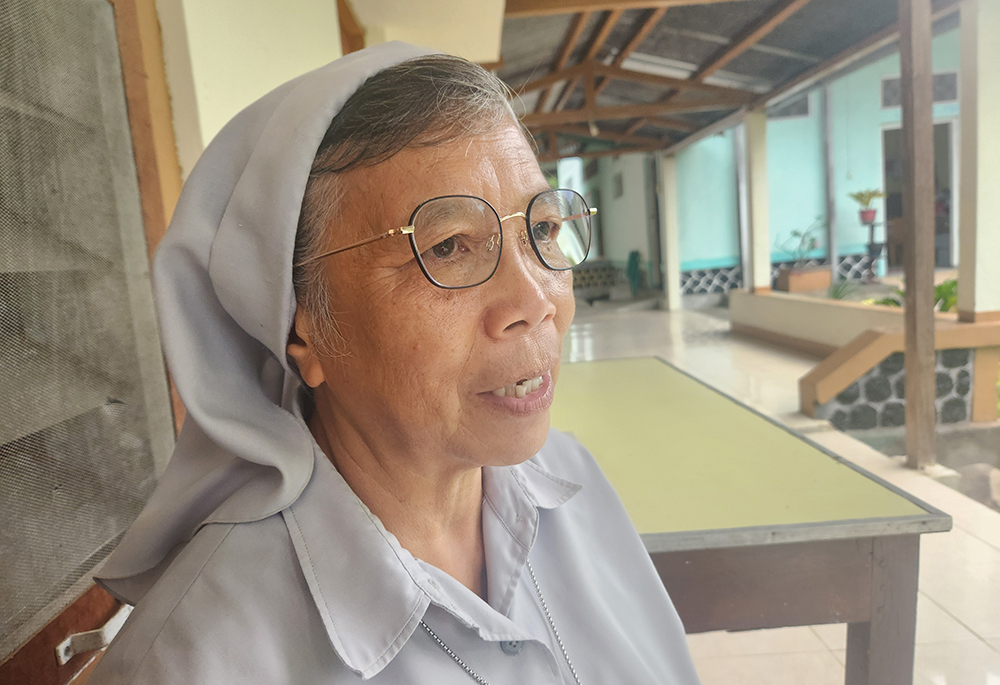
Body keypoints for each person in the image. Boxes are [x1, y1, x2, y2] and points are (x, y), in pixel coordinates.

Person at [89, 42, 700, 684]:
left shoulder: (572, 479)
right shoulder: (201, 657)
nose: (534, 301)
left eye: (542, 229)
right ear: (304, 330)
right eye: (450, 246)